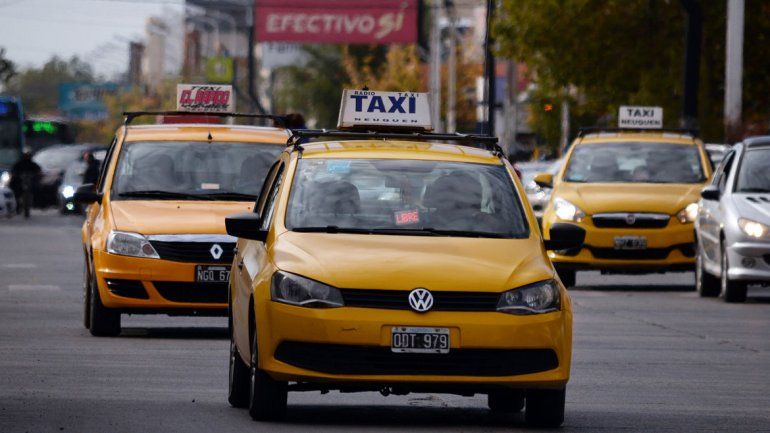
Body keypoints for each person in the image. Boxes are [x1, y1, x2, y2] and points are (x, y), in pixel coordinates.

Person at [10, 149, 42, 218]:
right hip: (20, 182)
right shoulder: (19, 164)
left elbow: (38, 170)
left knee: (37, 190)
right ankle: (18, 205)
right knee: (16, 192)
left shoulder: (32, 165)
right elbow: (14, 171)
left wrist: (36, 175)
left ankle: (37, 204)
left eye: (28, 156)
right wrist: (16, 176)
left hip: (30, 183)